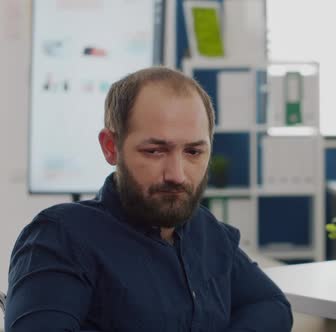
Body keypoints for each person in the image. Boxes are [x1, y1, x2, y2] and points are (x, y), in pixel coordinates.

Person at [5, 67, 293, 331]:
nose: (177, 175)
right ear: (110, 147)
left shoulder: (206, 230)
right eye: (155, 151)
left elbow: (271, 306)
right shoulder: (60, 237)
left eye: (193, 152)